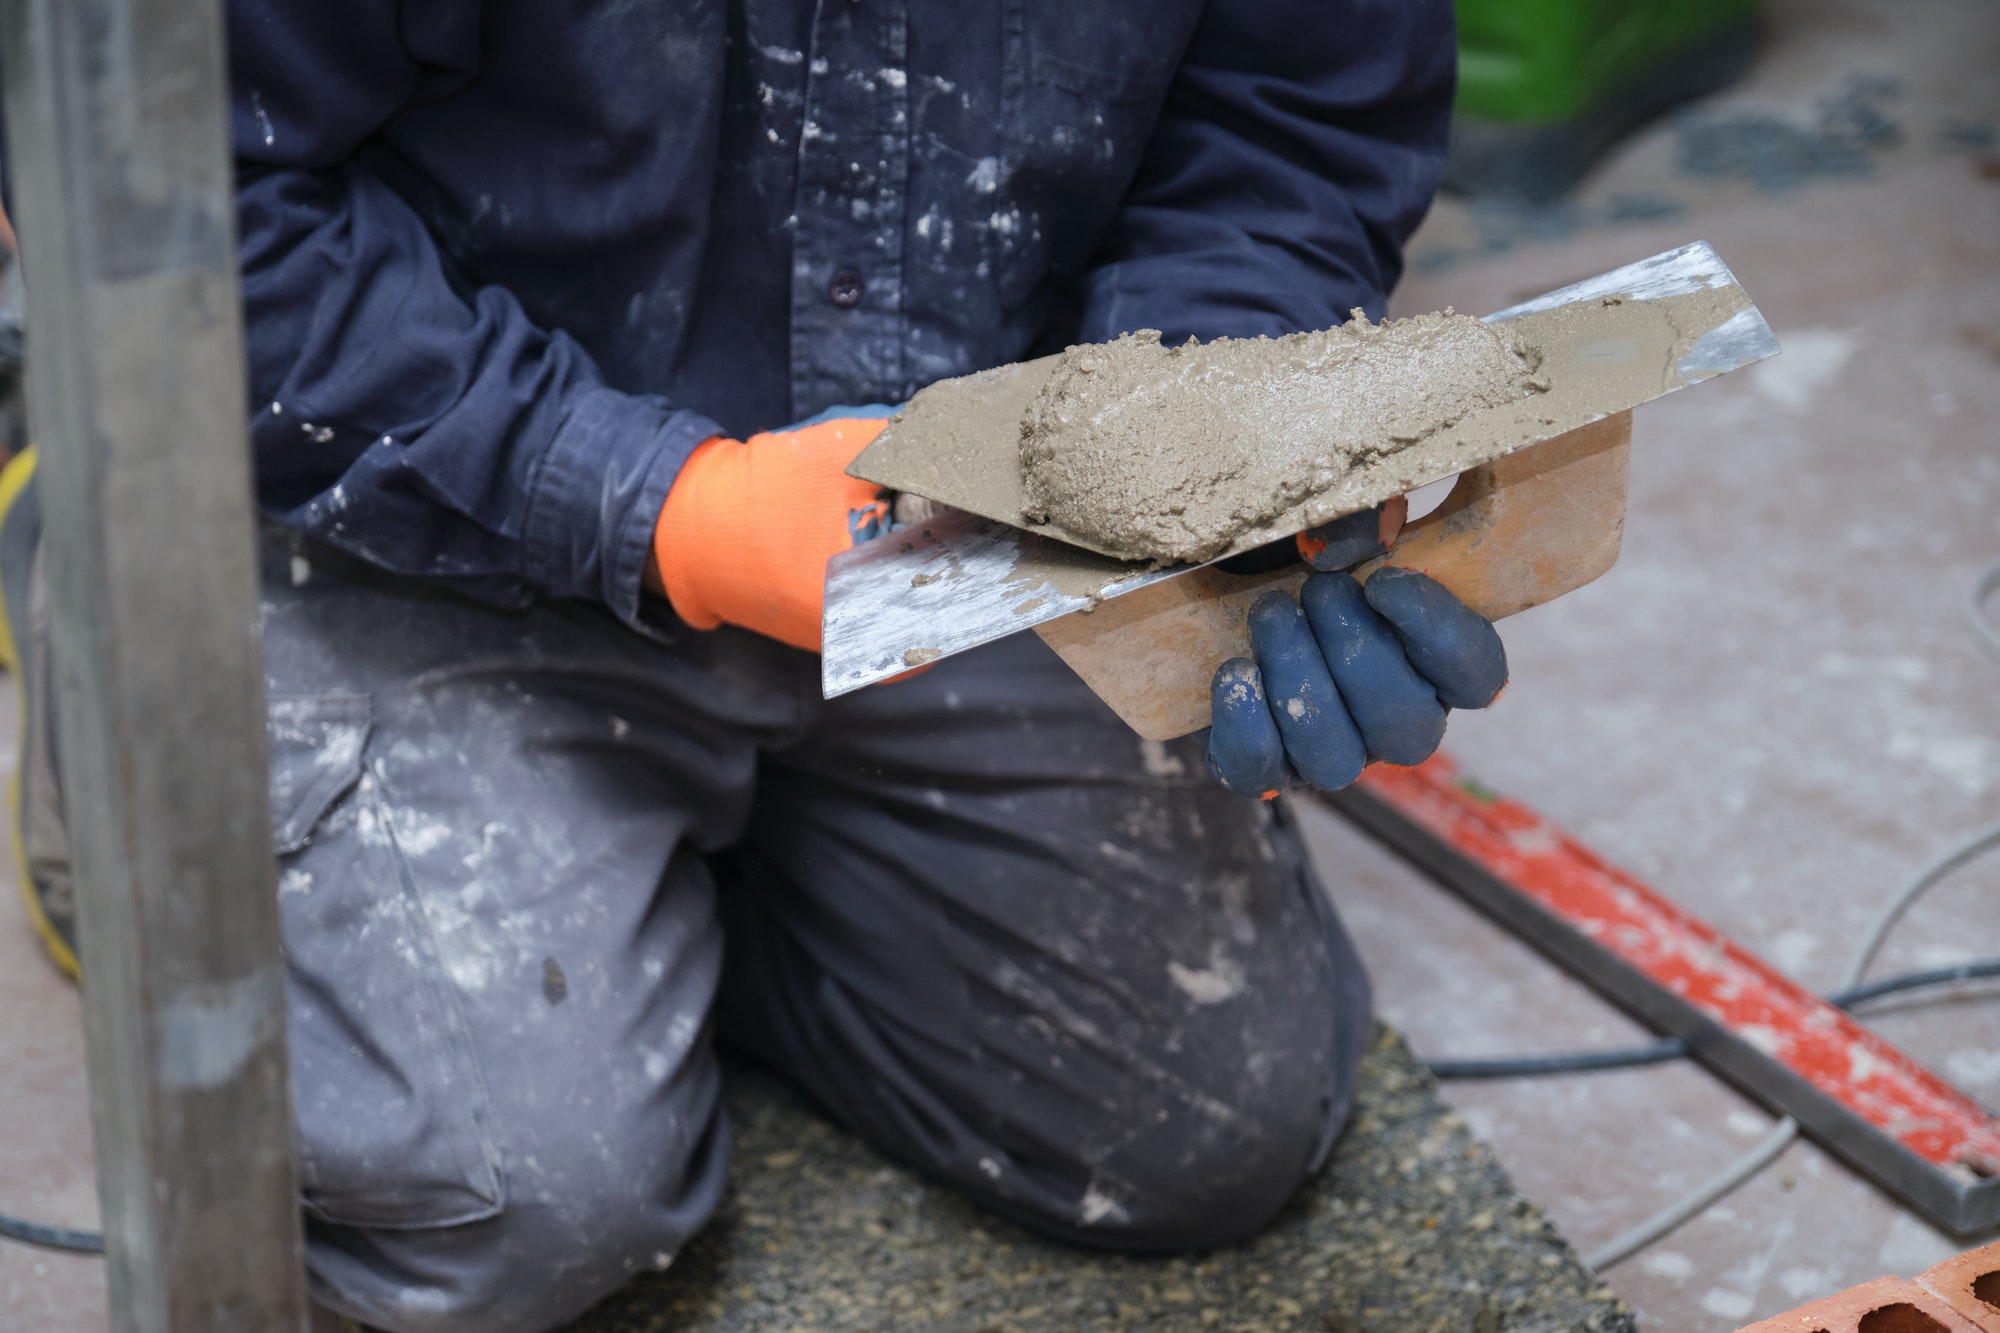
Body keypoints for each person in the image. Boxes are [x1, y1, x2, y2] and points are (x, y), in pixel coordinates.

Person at [0, 1, 1506, 1329]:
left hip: (954, 506)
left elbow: (1289, 115)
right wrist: (668, 511)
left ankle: (689, 877)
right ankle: (84, 589)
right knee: (515, 1197)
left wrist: (1207, 443)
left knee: (1199, 1121)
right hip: (405, 490)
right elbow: (186, 204)